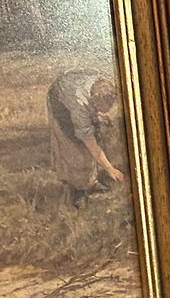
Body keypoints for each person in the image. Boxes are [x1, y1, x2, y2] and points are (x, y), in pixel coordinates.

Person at [46, 71, 123, 203]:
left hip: (72, 90)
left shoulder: (100, 83)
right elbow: (90, 143)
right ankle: (77, 190)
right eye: (100, 108)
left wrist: (97, 116)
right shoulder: (79, 105)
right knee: (74, 147)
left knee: (94, 137)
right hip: (59, 100)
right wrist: (109, 169)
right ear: (94, 101)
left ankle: (91, 182)